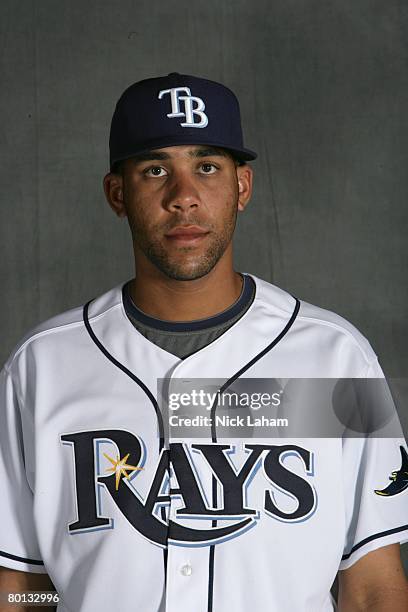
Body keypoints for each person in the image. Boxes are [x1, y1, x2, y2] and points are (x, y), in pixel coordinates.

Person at [0, 72, 407, 612]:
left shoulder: (334, 358)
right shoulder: (42, 366)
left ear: (242, 187)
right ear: (117, 194)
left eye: (207, 167)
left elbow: (371, 585)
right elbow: (25, 588)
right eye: (154, 169)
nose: (183, 197)